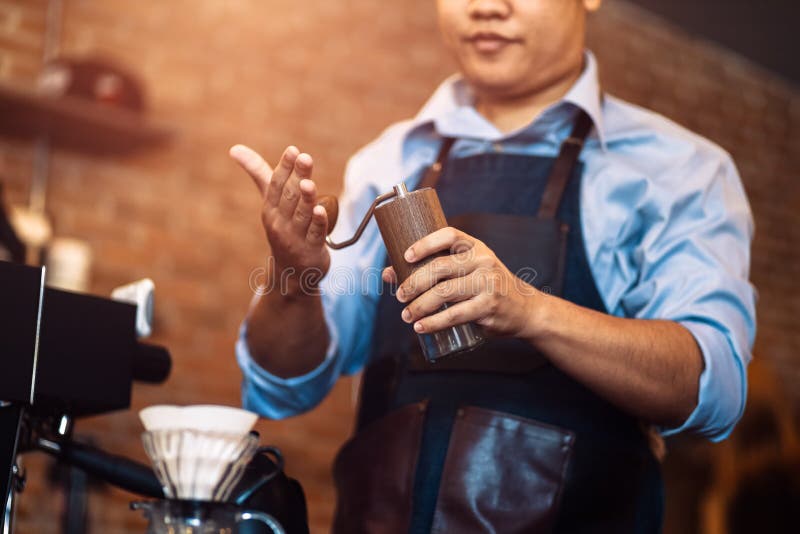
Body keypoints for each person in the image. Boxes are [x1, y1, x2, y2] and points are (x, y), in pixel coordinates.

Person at [229, 0, 756, 532]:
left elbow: (709, 391)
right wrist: (292, 277)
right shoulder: (388, 160)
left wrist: (530, 311)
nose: (485, 7)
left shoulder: (678, 171)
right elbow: (283, 386)